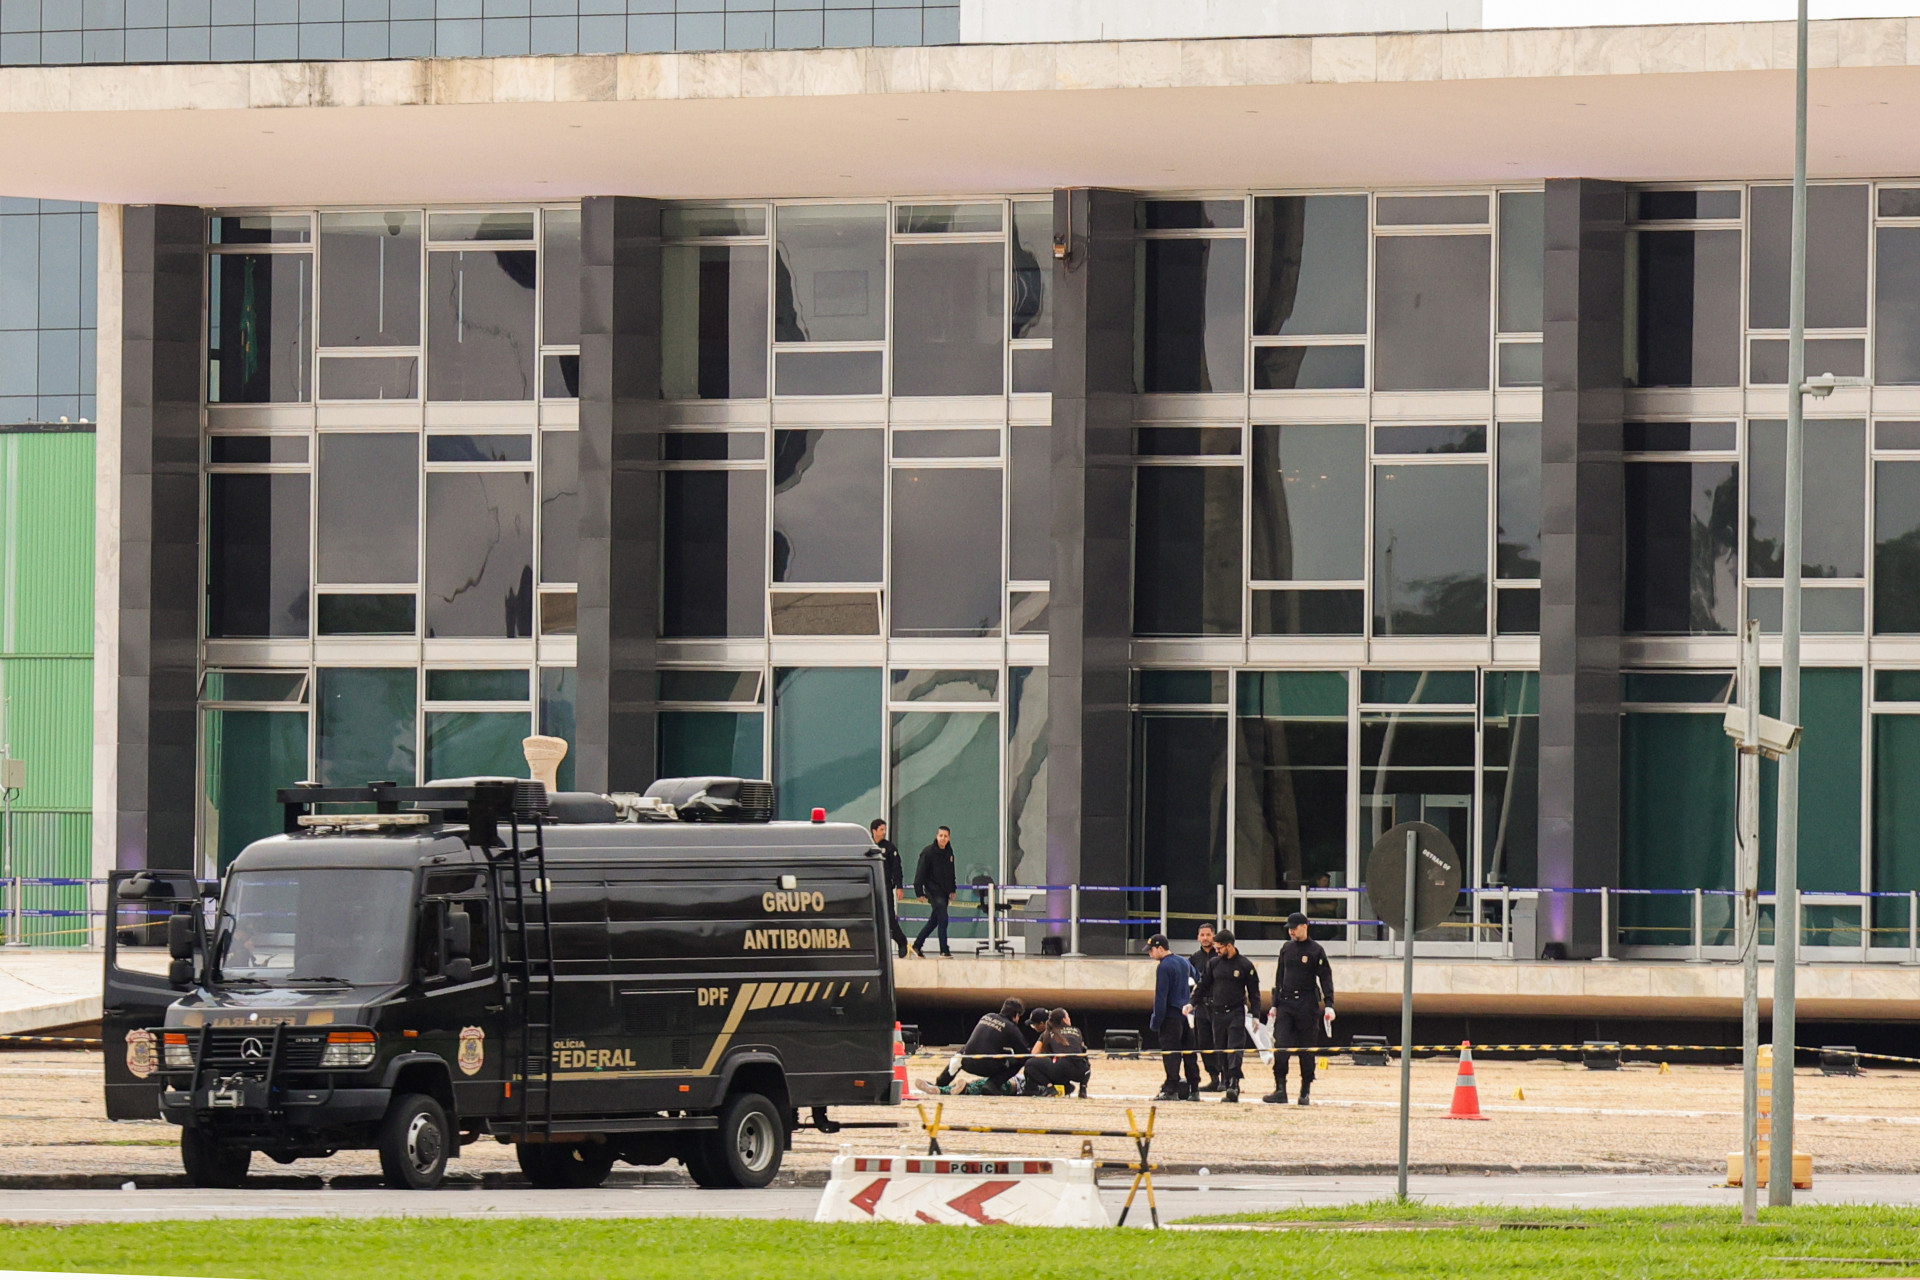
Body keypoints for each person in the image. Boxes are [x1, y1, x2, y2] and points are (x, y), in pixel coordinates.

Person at [1264, 911, 1336, 1106]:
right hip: (1286, 1003)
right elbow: (1279, 977)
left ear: (1304, 926)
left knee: (1306, 1049)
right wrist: (1275, 1004)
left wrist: (1329, 1004)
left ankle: (1305, 1090)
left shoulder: (1316, 950)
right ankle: (1280, 1089)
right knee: (1281, 1047)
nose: (1291, 933)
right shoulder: (1286, 948)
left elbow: (1325, 977)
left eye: (1294, 928)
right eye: (1289, 929)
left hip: (1306, 1004)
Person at [1187, 929, 1260, 1103]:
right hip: (1217, 1013)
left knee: (1234, 1048)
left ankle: (1234, 1083)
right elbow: (1203, 985)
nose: (1217, 951)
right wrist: (1192, 1003)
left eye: (1220, 948)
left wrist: (1255, 1014)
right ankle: (1227, 1082)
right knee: (1221, 1048)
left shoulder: (1245, 965)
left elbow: (1254, 992)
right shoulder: (1213, 964)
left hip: (1236, 1012)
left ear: (1229, 945)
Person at [923, 997, 1029, 1095]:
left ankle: (940, 1084)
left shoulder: (987, 1016)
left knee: (960, 1055)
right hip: (986, 1067)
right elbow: (1024, 1054)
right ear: (1016, 1015)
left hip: (966, 1062)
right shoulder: (1012, 1028)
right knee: (1017, 1061)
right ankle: (992, 1084)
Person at [1147, 934, 1199, 1101]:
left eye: (1151, 950)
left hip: (1170, 1016)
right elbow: (1197, 977)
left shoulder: (1164, 967)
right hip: (1186, 1015)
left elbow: (1161, 997)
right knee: (1189, 1052)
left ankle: (1171, 1089)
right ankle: (1194, 1089)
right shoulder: (1183, 961)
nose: (1150, 954)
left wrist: (1156, 1021)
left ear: (1160, 948)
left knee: (1171, 1053)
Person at [911, 826, 958, 959]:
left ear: (949, 838)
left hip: (944, 892)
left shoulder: (949, 852)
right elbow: (920, 873)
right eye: (941, 835)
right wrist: (919, 892)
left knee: (934, 920)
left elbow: (951, 872)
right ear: (936, 836)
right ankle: (944, 949)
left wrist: (952, 889)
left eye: (946, 836)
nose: (943, 838)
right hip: (932, 891)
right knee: (943, 917)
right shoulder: (928, 852)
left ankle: (917, 945)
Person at [1022, 1007, 1090, 1098]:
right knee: (1085, 1061)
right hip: (1081, 1071)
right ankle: (1083, 1089)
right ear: (1064, 1020)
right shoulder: (1077, 1031)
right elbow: (1082, 1049)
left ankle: (1050, 1088)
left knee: (1030, 1064)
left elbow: (1034, 1053)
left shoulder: (1048, 1032)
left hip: (1061, 1069)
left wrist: (1047, 1059)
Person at [1189, 923, 1223, 1092]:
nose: (1205, 938)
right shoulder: (1194, 958)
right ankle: (1213, 1078)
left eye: (1208, 934)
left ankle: (1226, 1078)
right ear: (1197, 937)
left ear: (1214, 936)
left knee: (1221, 1041)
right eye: (1202, 935)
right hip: (1201, 1006)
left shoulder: (1221, 955)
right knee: (1204, 1042)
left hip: (1219, 1005)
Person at [872, 819, 908, 960]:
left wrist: (899, 886)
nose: (884, 832)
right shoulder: (868, 846)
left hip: (886, 887)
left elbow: (897, 869)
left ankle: (901, 941)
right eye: (881, 829)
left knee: (889, 918)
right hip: (872, 888)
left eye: (884, 829)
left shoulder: (890, 848)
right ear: (874, 831)